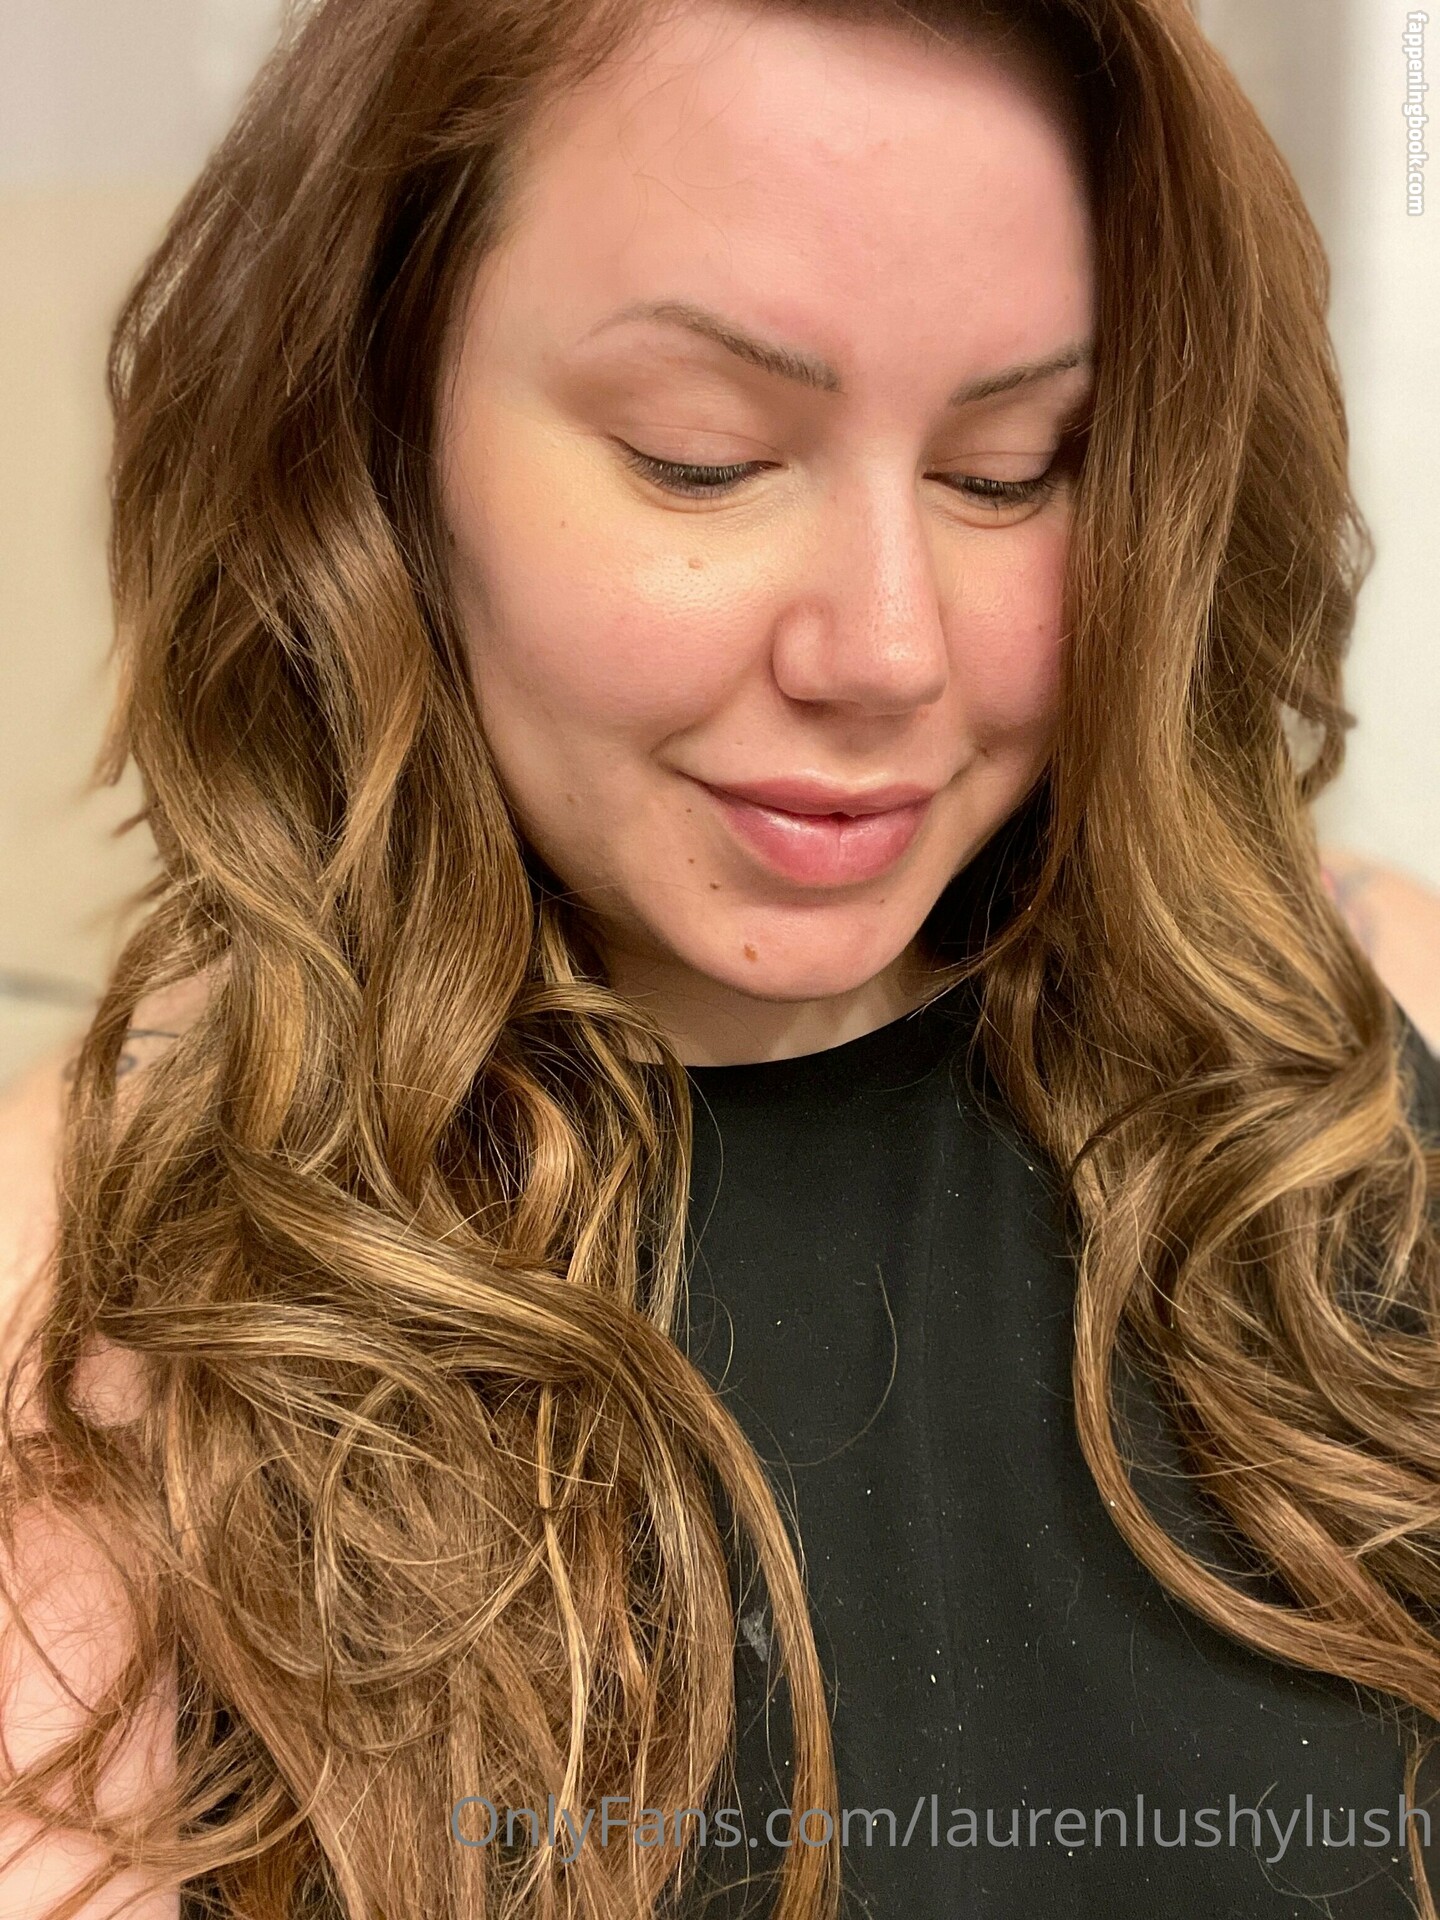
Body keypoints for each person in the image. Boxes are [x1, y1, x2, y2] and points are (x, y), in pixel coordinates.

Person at [1, 0, 1438, 1916]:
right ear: (373, 431)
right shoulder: (79, 1279)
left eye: (1013, 468)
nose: (889, 652)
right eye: (701, 458)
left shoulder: (1360, 1042)